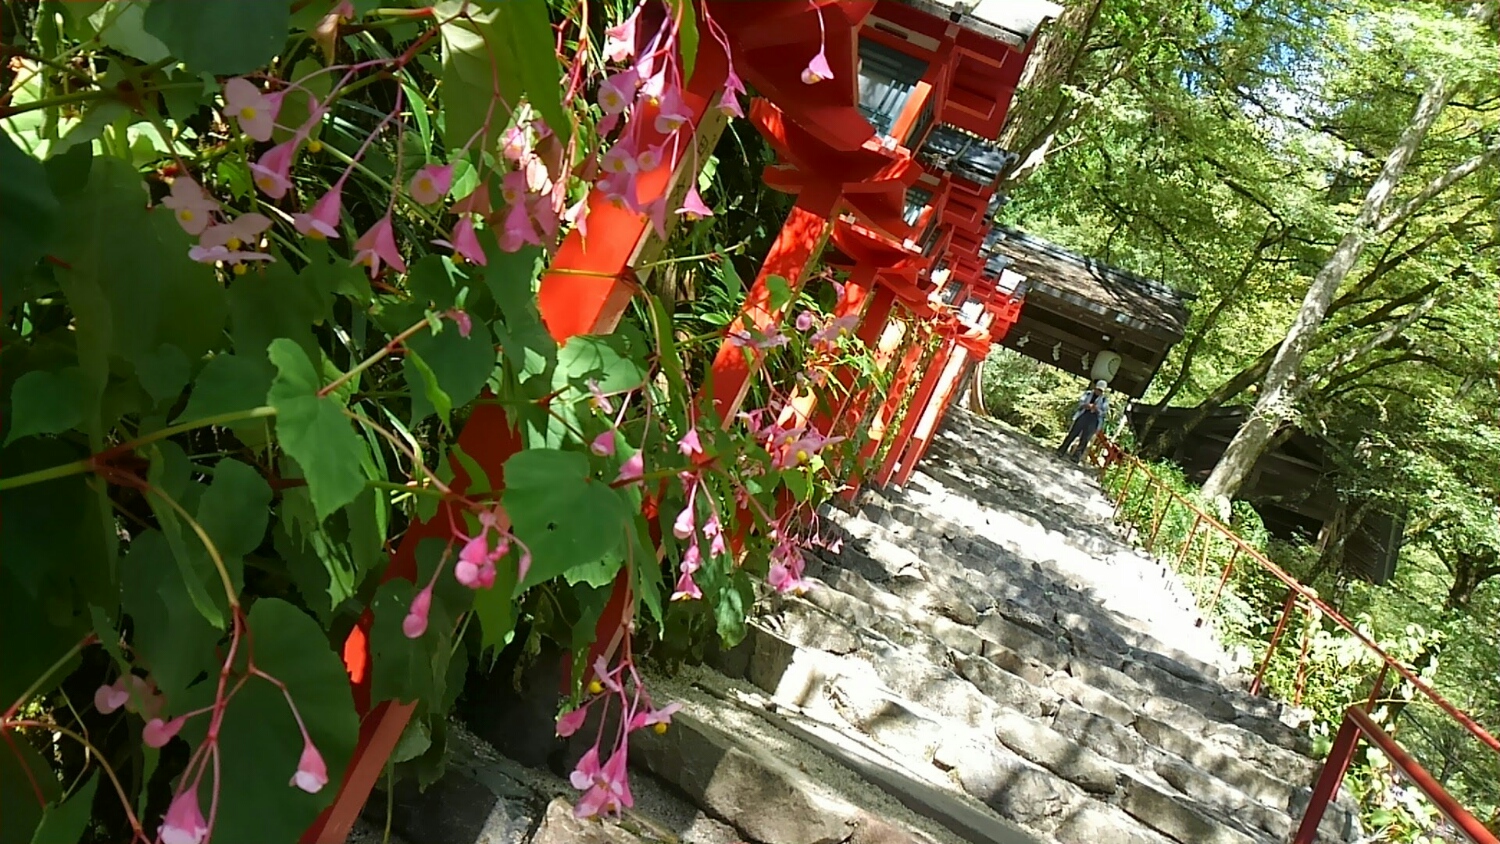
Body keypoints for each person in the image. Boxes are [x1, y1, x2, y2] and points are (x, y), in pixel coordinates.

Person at [1057, 380, 1109, 463]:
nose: (1098, 392)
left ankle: (1076, 456)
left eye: (1101, 391)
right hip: (1083, 415)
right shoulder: (1088, 394)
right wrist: (1087, 405)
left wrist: (1096, 409)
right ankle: (1061, 450)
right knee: (1073, 433)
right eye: (1098, 389)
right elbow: (1080, 403)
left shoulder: (1104, 400)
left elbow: (1104, 412)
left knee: (1085, 438)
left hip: (1094, 419)